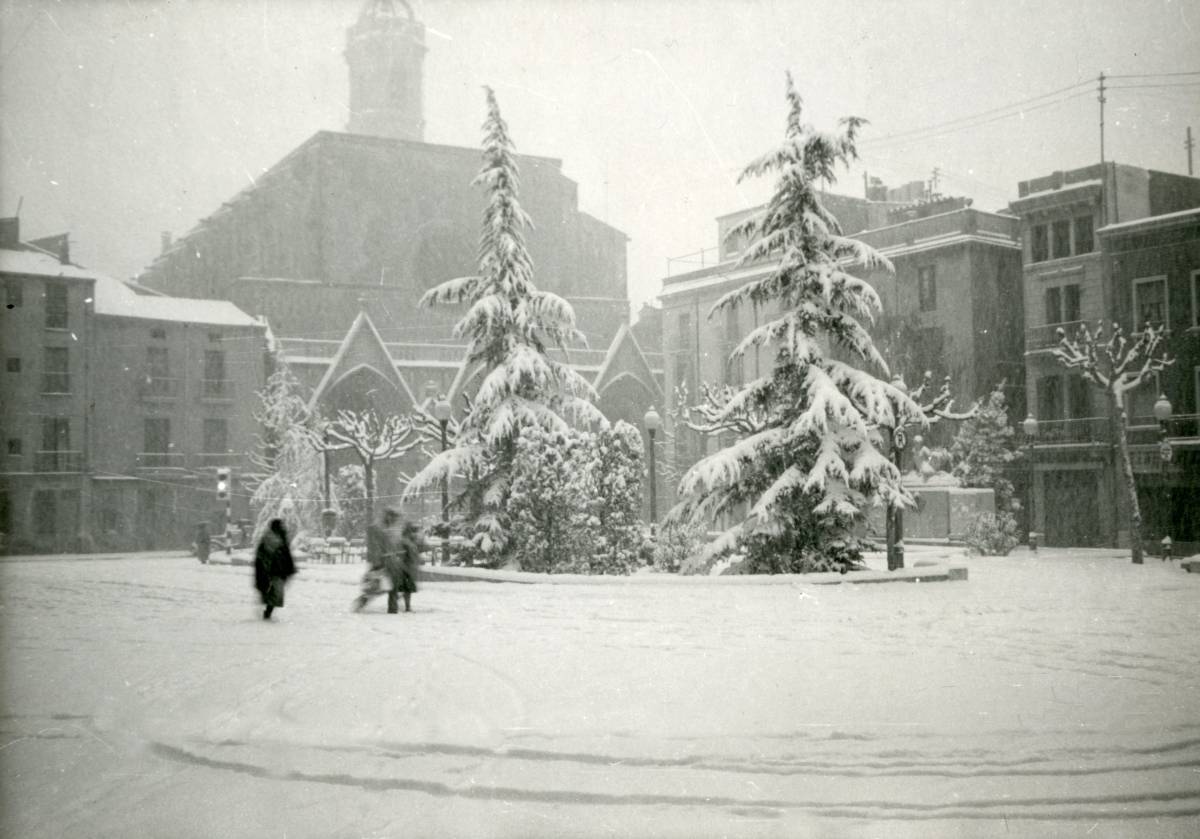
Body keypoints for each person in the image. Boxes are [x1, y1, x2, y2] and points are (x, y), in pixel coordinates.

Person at [354, 508, 399, 613]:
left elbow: (390, 545)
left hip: (388, 561)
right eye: (393, 517)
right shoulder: (378, 528)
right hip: (381, 561)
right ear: (388, 516)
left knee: (386, 585)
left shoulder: (387, 528)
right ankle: (363, 601)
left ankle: (392, 608)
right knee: (378, 586)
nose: (394, 520)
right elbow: (376, 546)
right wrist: (378, 561)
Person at [254, 519, 297, 620]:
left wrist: (290, 567)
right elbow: (263, 556)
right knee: (275, 593)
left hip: (278, 570)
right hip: (274, 571)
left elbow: (286, 554)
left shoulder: (280, 538)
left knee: (275, 594)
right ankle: (267, 613)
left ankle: (267, 611)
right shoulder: (270, 539)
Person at [388, 520, 427, 613]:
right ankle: (403, 605)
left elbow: (421, 549)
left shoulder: (411, 542)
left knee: (406, 589)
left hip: (408, 568)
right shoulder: (405, 542)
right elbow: (402, 554)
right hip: (405, 568)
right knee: (405, 589)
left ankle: (404, 605)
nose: (415, 534)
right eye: (413, 531)